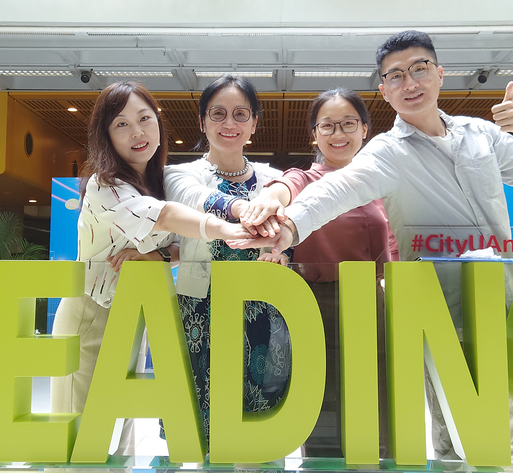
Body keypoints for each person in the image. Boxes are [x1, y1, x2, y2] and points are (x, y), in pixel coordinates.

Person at [235, 30, 513, 463]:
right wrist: (288, 227)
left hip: (505, 299)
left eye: (419, 69)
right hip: (442, 311)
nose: (409, 83)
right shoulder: (388, 152)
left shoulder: (481, 135)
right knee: (457, 432)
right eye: (395, 75)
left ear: (440, 74)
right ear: (384, 90)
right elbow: (336, 188)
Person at [50, 81, 253, 455]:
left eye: (144, 119)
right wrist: (226, 228)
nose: (137, 132)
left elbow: (178, 247)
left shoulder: (157, 180)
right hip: (94, 315)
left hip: (134, 313)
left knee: (120, 436)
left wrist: (159, 256)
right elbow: (164, 218)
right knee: (82, 442)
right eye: (122, 124)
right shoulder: (104, 186)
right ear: (106, 136)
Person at [241, 88, 397, 458]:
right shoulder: (303, 179)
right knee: (319, 401)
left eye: (348, 124)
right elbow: (282, 189)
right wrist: (268, 199)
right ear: (314, 134)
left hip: (371, 300)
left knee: (375, 396)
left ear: (365, 129)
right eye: (327, 125)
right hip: (313, 301)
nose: (338, 134)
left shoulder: (383, 181)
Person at [163, 74, 291, 442]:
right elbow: (195, 199)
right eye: (217, 114)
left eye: (240, 114)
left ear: (254, 123)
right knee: (198, 419)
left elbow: (289, 238)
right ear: (202, 122)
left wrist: (281, 254)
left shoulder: (274, 180)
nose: (229, 123)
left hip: (264, 312)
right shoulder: (179, 174)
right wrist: (245, 210)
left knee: (262, 421)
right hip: (201, 312)